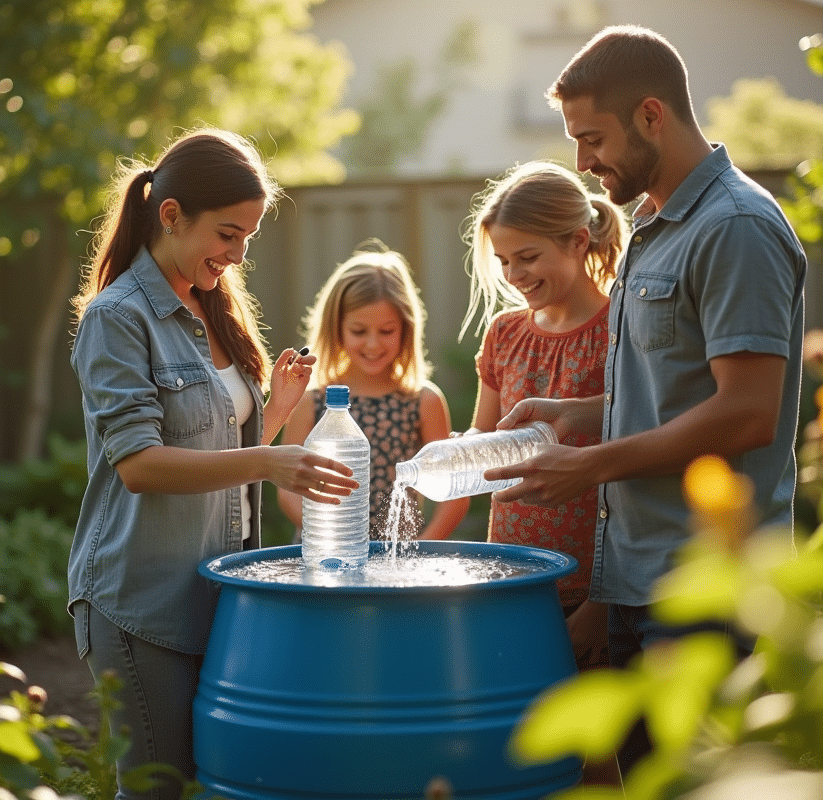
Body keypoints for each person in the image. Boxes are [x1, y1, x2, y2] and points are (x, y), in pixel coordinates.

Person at [486, 26, 807, 775]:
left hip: (706, 588)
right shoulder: (650, 228)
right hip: (634, 581)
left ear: (652, 116)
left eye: (592, 139)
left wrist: (589, 465)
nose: (582, 162)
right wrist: (578, 416)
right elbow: (670, 395)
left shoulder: (736, 227)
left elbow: (746, 412)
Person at [68, 127, 359, 800]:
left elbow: (215, 452)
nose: (238, 253)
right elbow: (140, 465)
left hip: (220, 595)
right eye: (228, 234)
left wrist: (272, 412)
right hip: (143, 603)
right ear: (171, 215)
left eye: (247, 237)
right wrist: (268, 459)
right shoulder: (118, 318)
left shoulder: (213, 307)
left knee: (222, 785)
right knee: (160, 789)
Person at [460, 160, 627, 670]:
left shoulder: (620, 328)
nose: (514, 276)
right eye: (504, 261)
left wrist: (603, 601)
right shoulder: (504, 333)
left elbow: (636, 470)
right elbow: (484, 432)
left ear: (578, 241)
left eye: (528, 258)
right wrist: (458, 449)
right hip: (512, 575)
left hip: (594, 585)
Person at [278, 241, 470, 541]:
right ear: (336, 328)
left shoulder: (424, 401)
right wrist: (333, 536)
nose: (373, 344)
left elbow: (454, 494)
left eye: (386, 331)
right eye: (359, 331)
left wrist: (419, 551)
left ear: (406, 329)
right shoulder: (312, 401)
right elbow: (288, 489)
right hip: (326, 553)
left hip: (398, 560)